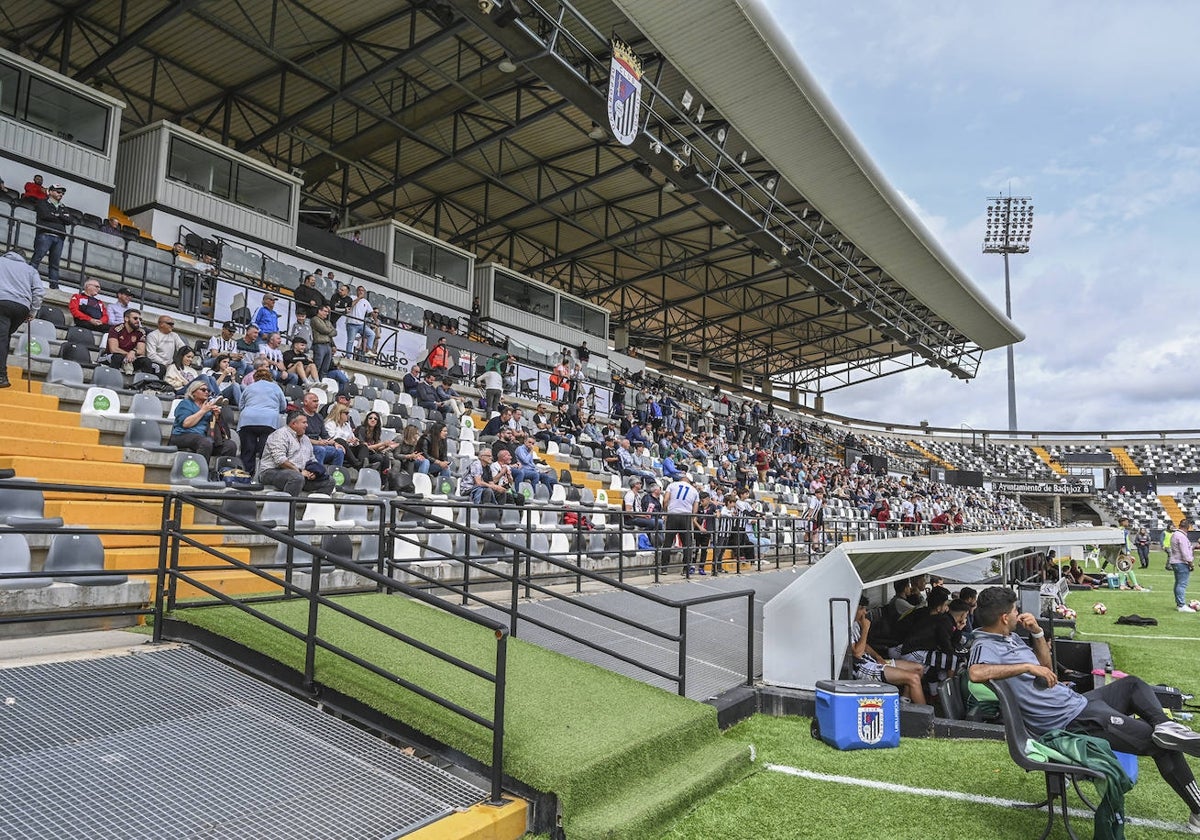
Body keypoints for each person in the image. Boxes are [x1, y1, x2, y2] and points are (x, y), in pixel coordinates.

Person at [968, 585, 1200, 832]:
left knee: (1132, 685)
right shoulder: (984, 646)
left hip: (1077, 703)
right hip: (1069, 721)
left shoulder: (1010, 637)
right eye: (1015, 610)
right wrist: (1026, 667)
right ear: (1005, 617)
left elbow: (1047, 668)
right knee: (1162, 746)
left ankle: (1165, 724)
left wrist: (1036, 633)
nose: (1018, 614)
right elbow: (975, 672)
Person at [850, 595, 927, 705]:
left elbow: (865, 646)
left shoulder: (856, 623)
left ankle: (904, 703)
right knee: (913, 678)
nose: (865, 612)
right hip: (861, 667)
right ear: (854, 608)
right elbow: (857, 653)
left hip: (871, 660)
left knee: (918, 669)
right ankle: (926, 717)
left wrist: (878, 657)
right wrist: (866, 629)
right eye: (862, 609)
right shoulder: (846, 626)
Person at [257, 410, 336, 496]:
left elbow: (312, 459)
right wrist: (299, 471)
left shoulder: (305, 439)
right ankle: (288, 508)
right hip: (271, 472)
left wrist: (314, 472)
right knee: (296, 477)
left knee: (330, 481)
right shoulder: (279, 435)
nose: (307, 425)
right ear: (294, 424)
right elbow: (280, 460)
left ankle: (313, 507)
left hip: (299, 474)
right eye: (304, 422)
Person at [0, 249, 45, 388]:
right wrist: (33, 311)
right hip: (21, 307)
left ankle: (2, 376)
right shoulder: (30, 270)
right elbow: (39, 292)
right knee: (4, 337)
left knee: (2, 338)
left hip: (2, 301)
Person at [169, 380, 237, 460]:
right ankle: (202, 470)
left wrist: (217, 416)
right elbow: (186, 424)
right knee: (205, 442)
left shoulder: (208, 406)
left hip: (204, 438)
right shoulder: (185, 404)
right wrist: (203, 411)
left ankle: (224, 470)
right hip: (182, 435)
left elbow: (218, 429)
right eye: (203, 390)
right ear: (193, 392)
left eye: (208, 390)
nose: (207, 392)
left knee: (230, 445)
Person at [237, 368, 286, 473]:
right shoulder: (276, 387)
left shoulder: (249, 387)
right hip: (269, 421)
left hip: (248, 420)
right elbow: (283, 406)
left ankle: (246, 476)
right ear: (270, 377)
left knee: (247, 451)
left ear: (255, 378)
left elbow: (241, 405)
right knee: (265, 452)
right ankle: (263, 475)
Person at [29, 184, 70, 289]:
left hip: (59, 237)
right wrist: (61, 216)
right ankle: (27, 280)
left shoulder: (63, 206)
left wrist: (55, 215)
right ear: (50, 191)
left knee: (55, 265)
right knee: (36, 259)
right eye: (58, 192)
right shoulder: (42, 202)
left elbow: (69, 220)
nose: (60, 194)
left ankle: (54, 286)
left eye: (62, 193)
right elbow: (45, 215)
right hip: (45, 234)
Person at [102, 309, 159, 375]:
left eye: (140, 319)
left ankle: (144, 384)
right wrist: (128, 354)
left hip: (130, 358)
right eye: (135, 318)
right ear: (126, 318)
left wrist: (133, 352)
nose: (138, 321)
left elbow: (141, 351)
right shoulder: (116, 329)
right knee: (118, 357)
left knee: (146, 361)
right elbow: (113, 349)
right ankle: (112, 381)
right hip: (111, 357)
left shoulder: (141, 332)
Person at [663, 474, 700, 571]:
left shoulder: (672, 485)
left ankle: (664, 567)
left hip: (673, 514)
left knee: (668, 542)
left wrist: (666, 512)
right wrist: (692, 518)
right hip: (686, 516)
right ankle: (686, 568)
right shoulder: (694, 490)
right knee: (687, 543)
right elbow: (695, 509)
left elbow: (665, 500)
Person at [1168, 517, 1196, 613]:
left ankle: (1179, 603)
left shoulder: (1175, 534)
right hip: (1181, 562)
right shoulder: (1182, 536)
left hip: (1175, 561)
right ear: (1188, 527)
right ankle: (1181, 605)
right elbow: (1185, 552)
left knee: (1178, 583)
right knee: (1182, 584)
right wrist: (1191, 563)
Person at [346, 286, 376, 357]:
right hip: (351, 323)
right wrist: (359, 298)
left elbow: (372, 312)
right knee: (350, 341)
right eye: (359, 290)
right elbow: (350, 305)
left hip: (361, 324)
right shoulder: (352, 297)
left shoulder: (366, 302)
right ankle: (348, 356)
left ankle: (368, 350)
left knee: (372, 334)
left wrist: (376, 320)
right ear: (357, 291)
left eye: (362, 291)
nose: (361, 292)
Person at [310, 304, 337, 376]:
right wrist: (330, 331)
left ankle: (322, 382)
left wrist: (333, 345)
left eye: (327, 312)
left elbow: (335, 332)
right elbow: (324, 330)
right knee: (317, 365)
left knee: (325, 368)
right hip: (319, 344)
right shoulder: (315, 319)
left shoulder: (328, 322)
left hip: (328, 345)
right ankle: (314, 382)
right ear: (319, 311)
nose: (327, 313)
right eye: (325, 311)